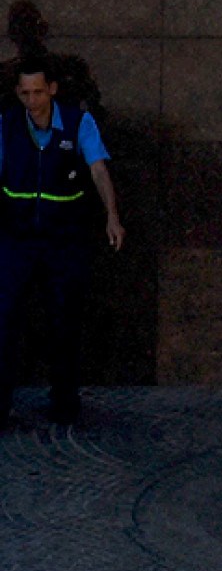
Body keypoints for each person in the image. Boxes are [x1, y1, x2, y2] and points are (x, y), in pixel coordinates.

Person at [0, 54, 121, 425]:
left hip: (63, 239)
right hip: (17, 237)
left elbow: (98, 168)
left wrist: (112, 216)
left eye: (38, 92)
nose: (32, 101)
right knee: (4, 320)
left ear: (52, 89)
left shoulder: (77, 123)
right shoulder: (6, 126)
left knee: (63, 320)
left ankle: (64, 401)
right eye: (25, 93)